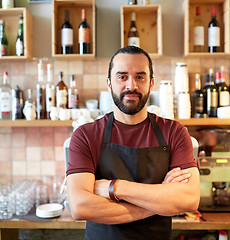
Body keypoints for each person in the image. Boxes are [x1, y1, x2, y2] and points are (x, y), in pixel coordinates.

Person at [66, 46, 200, 240]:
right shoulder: (86, 135)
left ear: (151, 83)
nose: (131, 85)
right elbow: (80, 207)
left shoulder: (175, 132)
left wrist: (115, 188)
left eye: (140, 77)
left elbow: (189, 200)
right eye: (122, 77)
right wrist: (161, 201)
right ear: (109, 84)